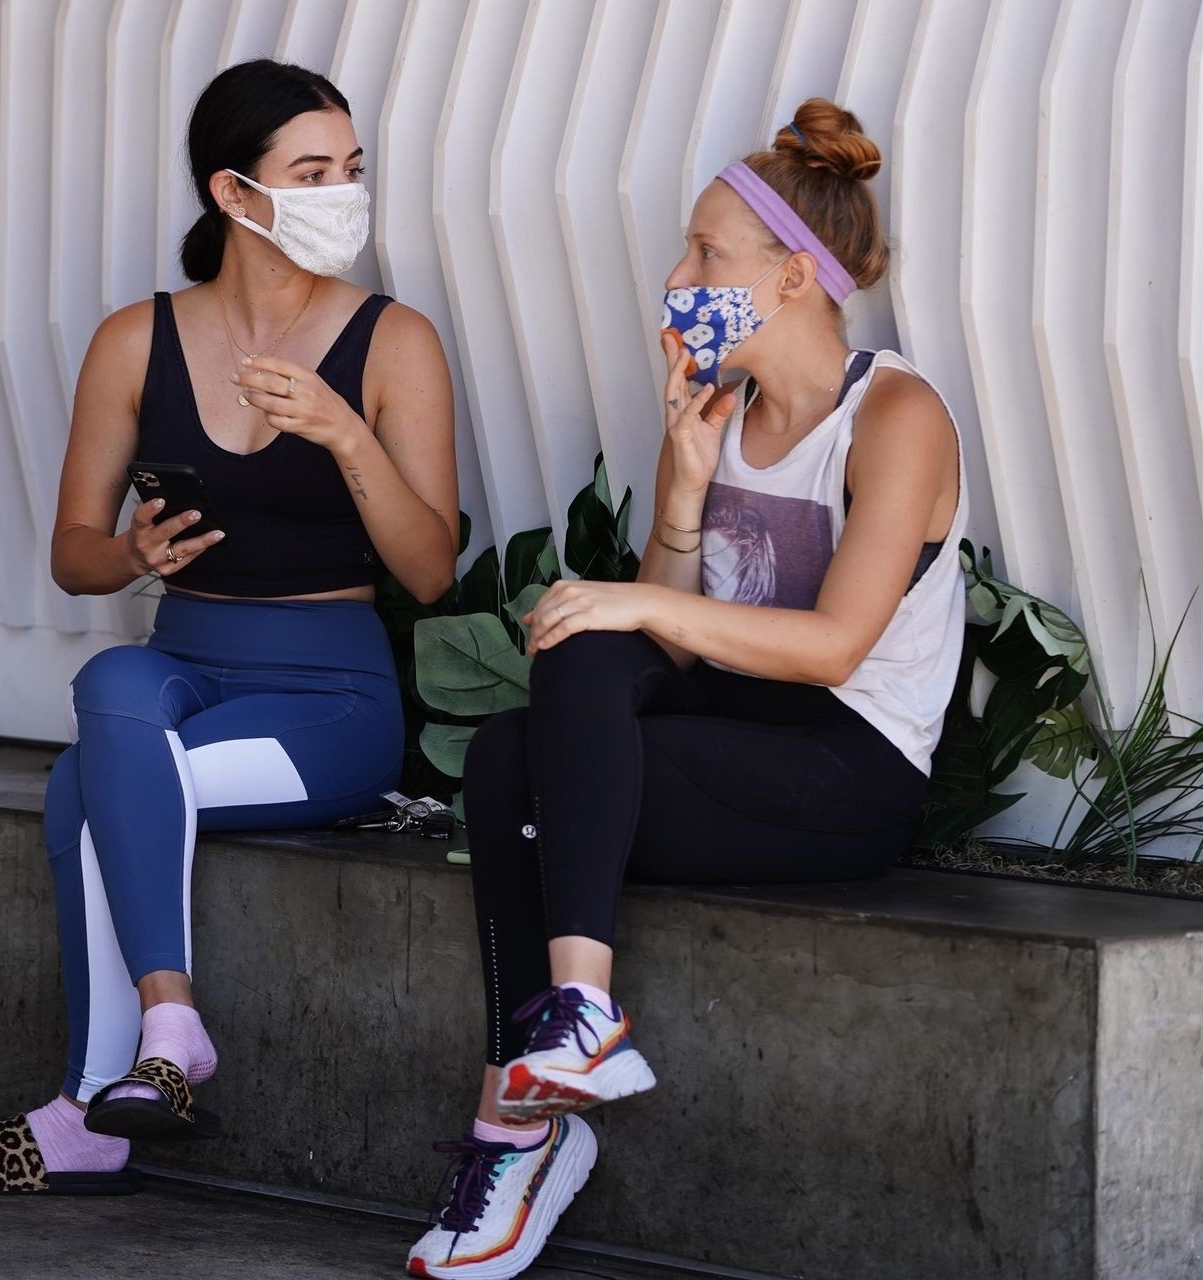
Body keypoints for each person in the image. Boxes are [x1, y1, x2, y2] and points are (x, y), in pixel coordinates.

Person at [408, 99, 964, 1278]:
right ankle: (555, 1057)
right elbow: (663, 648)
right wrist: (682, 496)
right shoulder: (724, 410)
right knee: (520, 735)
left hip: (844, 769)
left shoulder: (895, 415)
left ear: (794, 277)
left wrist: (641, 602)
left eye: (707, 253)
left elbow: (834, 648)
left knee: (575, 684)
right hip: (726, 733)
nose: (676, 278)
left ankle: (525, 1119)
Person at [0, 59, 458, 1194]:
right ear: (233, 192)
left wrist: (345, 434)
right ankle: (167, 1032)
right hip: (183, 672)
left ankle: (94, 1102)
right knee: (114, 678)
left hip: (330, 699)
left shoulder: (393, 342)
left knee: (84, 786)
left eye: (351, 168)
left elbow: (430, 568)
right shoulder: (136, 340)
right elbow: (73, 556)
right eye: (311, 172)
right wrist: (134, 555)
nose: (342, 193)